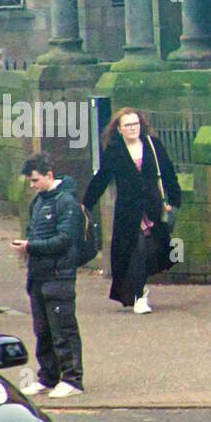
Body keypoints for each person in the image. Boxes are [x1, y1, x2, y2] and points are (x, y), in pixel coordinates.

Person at [81, 107, 181, 315]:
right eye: (127, 125)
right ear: (119, 129)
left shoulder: (153, 145)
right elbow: (102, 178)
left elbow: (169, 174)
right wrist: (86, 203)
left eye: (135, 124)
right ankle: (139, 295)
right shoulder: (115, 151)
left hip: (152, 208)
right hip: (128, 212)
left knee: (152, 250)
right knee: (136, 249)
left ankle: (140, 288)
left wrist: (175, 201)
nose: (133, 128)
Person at [12, 152, 84, 399]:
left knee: (63, 328)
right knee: (42, 330)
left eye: (35, 180)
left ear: (48, 175)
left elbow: (65, 240)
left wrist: (30, 247)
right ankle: (48, 377)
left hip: (58, 275)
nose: (32, 186)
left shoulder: (66, 202)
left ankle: (73, 378)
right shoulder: (39, 202)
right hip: (39, 275)